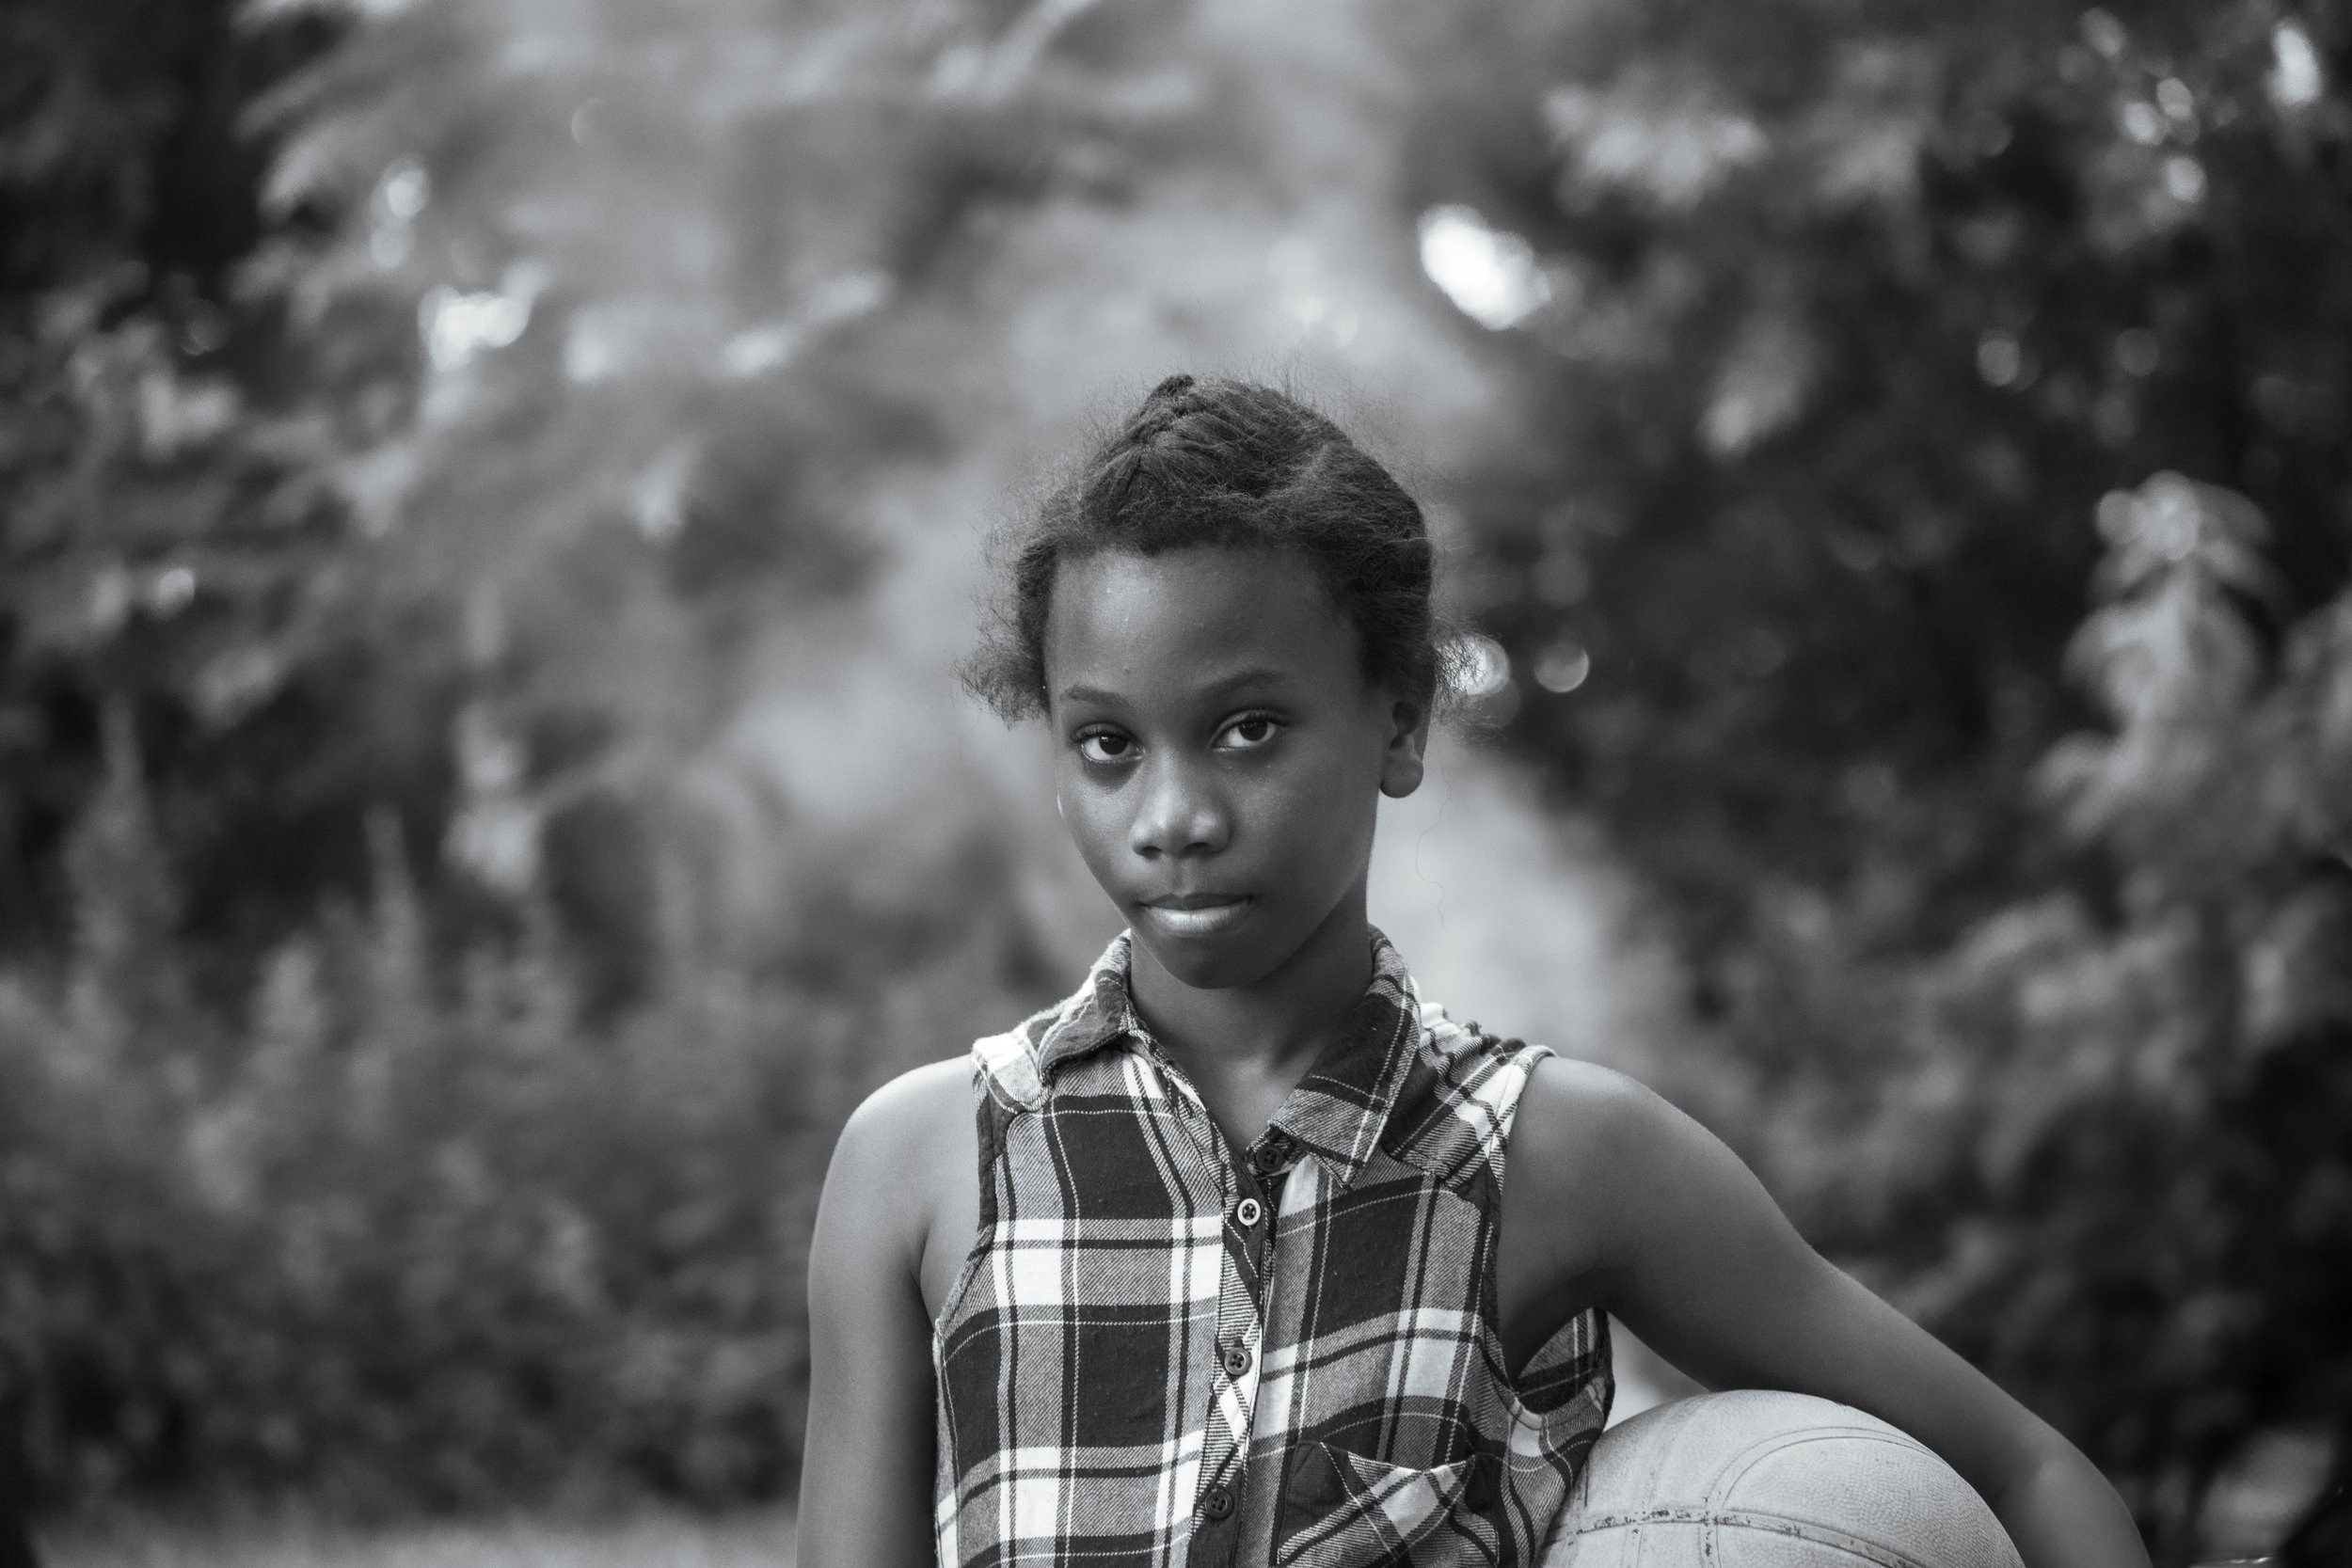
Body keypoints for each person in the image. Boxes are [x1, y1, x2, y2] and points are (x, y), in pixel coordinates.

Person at [796, 375, 2153, 1568]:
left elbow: (2024, 1470)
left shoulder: (1559, 1157)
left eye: (1249, 728)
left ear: (1400, 721)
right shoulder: (924, 1165)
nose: (1175, 814)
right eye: (1108, 744)